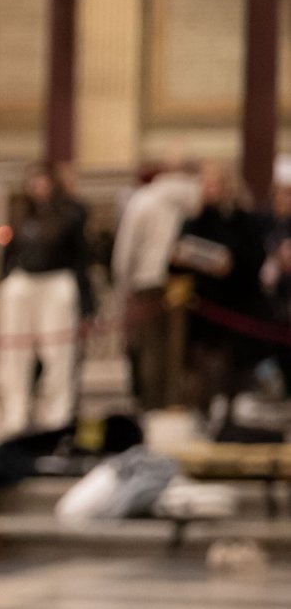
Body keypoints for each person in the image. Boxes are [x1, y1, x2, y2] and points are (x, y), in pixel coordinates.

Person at [172, 162, 271, 428]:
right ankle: (206, 419)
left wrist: (230, 263)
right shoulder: (194, 220)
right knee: (203, 373)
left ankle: (231, 420)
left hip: (237, 311)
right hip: (205, 312)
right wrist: (180, 257)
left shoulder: (245, 221)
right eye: (205, 183)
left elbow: (253, 261)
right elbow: (173, 262)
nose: (208, 188)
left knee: (233, 375)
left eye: (214, 183)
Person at [0, 164, 92, 434]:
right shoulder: (21, 215)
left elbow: (80, 258)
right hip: (24, 281)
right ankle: (16, 409)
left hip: (56, 281)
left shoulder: (70, 214)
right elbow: (9, 253)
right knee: (15, 349)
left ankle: (56, 414)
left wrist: (87, 302)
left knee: (57, 350)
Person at [111, 163, 201, 408]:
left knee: (151, 348)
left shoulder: (143, 200)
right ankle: (174, 406)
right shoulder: (196, 198)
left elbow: (126, 249)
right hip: (184, 283)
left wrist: (122, 283)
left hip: (147, 281)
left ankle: (152, 407)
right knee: (177, 349)